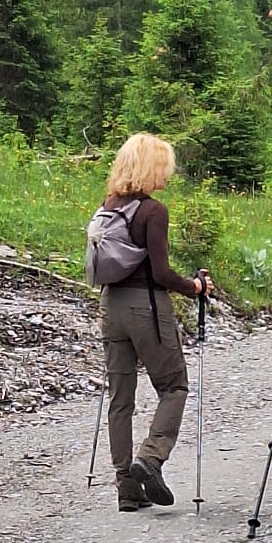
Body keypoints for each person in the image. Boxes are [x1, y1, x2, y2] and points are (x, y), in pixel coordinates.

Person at [98, 132, 213, 513]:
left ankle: (127, 488)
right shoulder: (153, 212)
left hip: (111, 306)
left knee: (120, 398)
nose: (169, 173)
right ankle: (151, 457)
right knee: (173, 386)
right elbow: (161, 273)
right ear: (150, 168)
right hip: (146, 306)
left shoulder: (108, 206)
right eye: (164, 166)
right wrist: (195, 287)